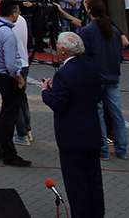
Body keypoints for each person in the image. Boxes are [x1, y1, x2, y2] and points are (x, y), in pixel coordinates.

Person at [40, 31, 105, 218]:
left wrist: (46, 93)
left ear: (62, 50)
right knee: (94, 181)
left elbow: (60, 104)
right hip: (92, 133)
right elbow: (97, 96)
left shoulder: (63, 74)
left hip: (72, 137)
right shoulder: (92, 68)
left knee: (76, 182)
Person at [78, 0, 128, 160]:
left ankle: (103, 150)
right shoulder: (113, 30)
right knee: (117, 114)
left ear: (90, 11)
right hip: (113, 76)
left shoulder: (87, 31)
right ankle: (121, 150)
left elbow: (83, 57)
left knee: (98, 114)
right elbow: (120, 54)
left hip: (96, 78)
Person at [0, 0, 31, 167]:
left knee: (7, 109)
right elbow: (11, 64)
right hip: (7, 75)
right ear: (13, 14)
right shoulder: (8, 34)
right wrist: (19, 79)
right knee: (11, 113)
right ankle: (9, 152)